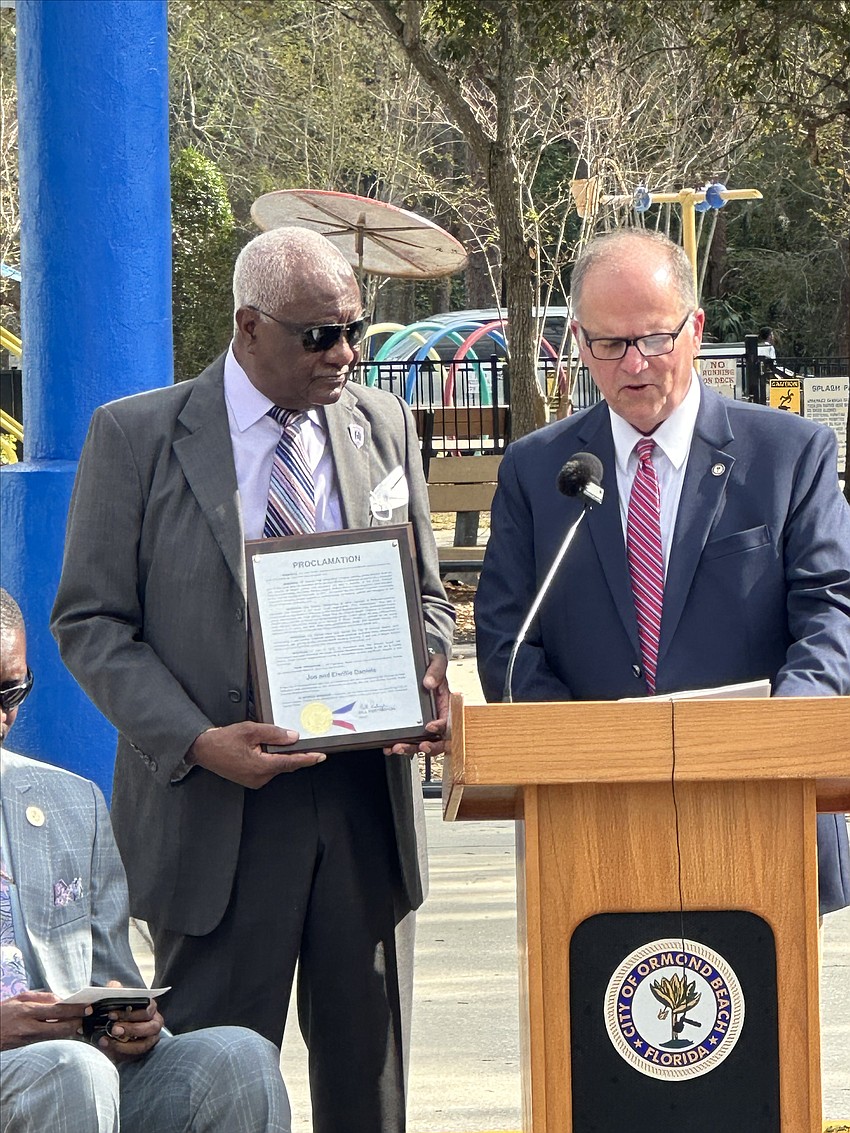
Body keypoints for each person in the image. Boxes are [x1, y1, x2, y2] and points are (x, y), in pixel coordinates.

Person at [50, 226, 455, 1132]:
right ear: (247, 326)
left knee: (372, 1087)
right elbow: (89, 622)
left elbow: (425, 597)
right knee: (219, 1087)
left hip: (363, 813)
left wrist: (424, 668)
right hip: (217, 819)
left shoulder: (383, 424)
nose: (345, 353)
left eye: (355, 328)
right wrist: (196, 740)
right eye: (319, 334)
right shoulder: (137, 435)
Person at [475, 228, 850, 916]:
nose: (634, 363)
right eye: (609, 344)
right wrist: (594, 757)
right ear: (581, 345)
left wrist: (776, 734)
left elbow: (832, 612)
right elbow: (508, 638)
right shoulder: (539, 471)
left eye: (654, 338)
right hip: (589, 823)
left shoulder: (790, 455)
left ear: (695, 327)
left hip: (762, 809)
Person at [0, 589, 291, 1133]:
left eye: (10, 690)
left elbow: (110, 977)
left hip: (78, 1066)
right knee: (73, 1071)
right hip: (57, 1075)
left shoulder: (70, 802)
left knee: (240, 1058)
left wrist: (129, 1023)